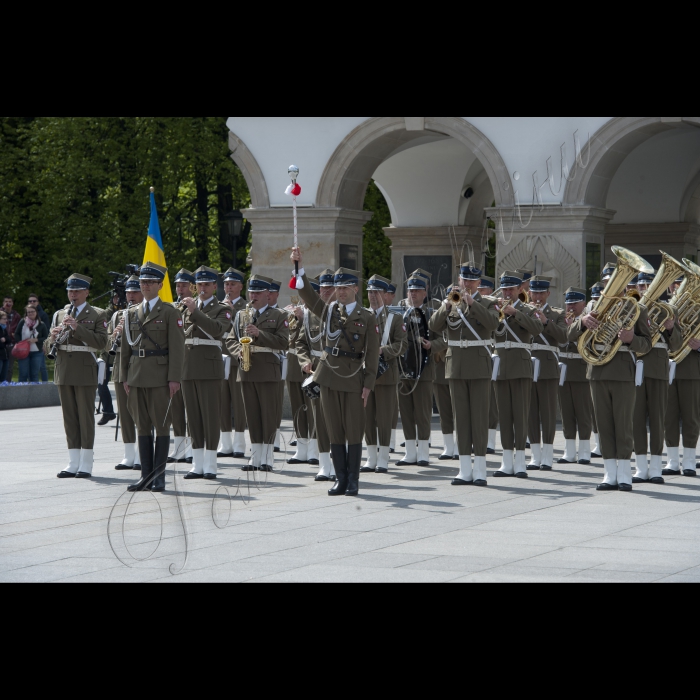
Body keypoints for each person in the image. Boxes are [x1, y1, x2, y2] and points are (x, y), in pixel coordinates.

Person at [291, 248, 380, 497]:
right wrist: (299, 268)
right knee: (334, 429)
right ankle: (340, 479)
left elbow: (372, 354)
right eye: (337, 288)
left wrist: (368, 384)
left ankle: (353, 480)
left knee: (353, 430)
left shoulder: (367, 317)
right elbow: (308, 295)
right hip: (328, 376)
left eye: (345, 287)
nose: (340, 292)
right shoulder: (329, 312)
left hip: (353, 378)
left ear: (355, 289)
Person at [568, 289, 652, 492]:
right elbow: (570, 334)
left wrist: (632, 339)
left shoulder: (637, 309)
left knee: (623, 424)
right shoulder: (592, 308)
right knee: (603, 424)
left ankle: (624, 474)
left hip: (623, 372)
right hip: (597, 371)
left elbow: (647, 345)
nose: (611, 288)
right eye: (608, 283)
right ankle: (609, 474)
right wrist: (582, 321)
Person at [430, 264, 500, 487]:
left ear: (479, 283)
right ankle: (463, 469)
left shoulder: (488, 302)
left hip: (479, 366)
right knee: (460, 418)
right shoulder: (451, 301)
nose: (467, 284)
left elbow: (493, 324)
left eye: (472, 281)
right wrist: (446, 306)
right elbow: (433, 325)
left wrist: (473, 304)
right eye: (464, 280)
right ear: (459, 280)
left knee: (478, 418)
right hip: (456, 366)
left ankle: (480, 470)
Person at [120, 262, 185, 492]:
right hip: (136, 376)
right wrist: (123, 377)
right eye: (142, 282)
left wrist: (174, 378)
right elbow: (125, 348)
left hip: (159, 376)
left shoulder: (170, 312)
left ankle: (159, 478)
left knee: (162, 426)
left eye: (150, 282)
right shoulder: (131, 313)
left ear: (160, 285)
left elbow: (178, 348)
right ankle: (145, 477)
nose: (145, 286)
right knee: (142, 427)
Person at [48, 274, 109, 479]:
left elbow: (102, 343)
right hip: (64, 369)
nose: (72, 294)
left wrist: (77, 327)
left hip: (84, 369)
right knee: (70, 418)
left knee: (85, 416)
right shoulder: (59, 314)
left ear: (86, 292)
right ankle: (73, 461)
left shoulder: (98, 314)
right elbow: (47, 345)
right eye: (70, 291)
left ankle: (86, 462)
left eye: (76, 291)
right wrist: (54, 337)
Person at [227, 275, 289, 472]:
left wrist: (259, 334)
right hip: (246, 369)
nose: (253, 296)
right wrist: (238, 351)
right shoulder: (240, 315)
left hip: (268, 369)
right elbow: (229, 339)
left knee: (268, 415)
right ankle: (255, 458)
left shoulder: (279, 315)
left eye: (258, 292)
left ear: (267, 295)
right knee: (251, 415)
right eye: (251, 292)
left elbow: (284, 342)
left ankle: (268, 458)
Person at [179, 267, 231, 481]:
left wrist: (195, 312)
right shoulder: (185, 307)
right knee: (193, 417)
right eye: (199, 285)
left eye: (207, 284)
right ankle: (197, 464)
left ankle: (210, 464)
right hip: (188, 366)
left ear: (214, 286)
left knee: (210, 416)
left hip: (209, 367)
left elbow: (218, 330)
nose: (202, 288)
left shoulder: (222, 308)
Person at [492, 272, 544, 479]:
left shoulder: (529, 309)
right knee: (504, 416)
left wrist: (514, 313)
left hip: (521, 366)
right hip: (501, 365)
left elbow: (537, 329)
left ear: (519, 290)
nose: (506, 292)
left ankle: (521, 461)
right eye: (504, 289)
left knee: (520, 415)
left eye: (511, 289)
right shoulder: (494, 308)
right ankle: (506, 461)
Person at [633, 272, 682, 484]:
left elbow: (677, 345)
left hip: (658, 368)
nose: (644, 289)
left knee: (657, 419)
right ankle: (640, 467)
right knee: (635, 419)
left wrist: (671, 328)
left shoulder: (669, 310)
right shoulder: (631, 309)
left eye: (648, 285)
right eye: (641, 285)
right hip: (635, 367)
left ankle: (655, 467)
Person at [397, 275, 446, 468]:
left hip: (424, 369)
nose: (413, 294)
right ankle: (410, 452)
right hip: (402, 368)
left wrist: (431, 345)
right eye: (410, 291)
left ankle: (423, 452)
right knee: (406, 412)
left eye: (417, 291)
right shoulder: (399, 312)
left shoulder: (432, 313)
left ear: (425, 293)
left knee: (423, 412)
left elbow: (445, 338)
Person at [363, 275, 407, 474]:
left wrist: (383, 350)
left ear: (384, 294)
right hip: (365, 375)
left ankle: (383, 458)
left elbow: (402, 345)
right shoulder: (362, 316)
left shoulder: (394, 318)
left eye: (376, 292)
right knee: (367, 417)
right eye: (370, 292)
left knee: (384, 417)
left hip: (386, 375)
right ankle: (371, 457)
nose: (372, 296)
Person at [296, 271, 336, 481]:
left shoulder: (340, 313)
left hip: (339, 372)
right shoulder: (310, 313)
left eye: (329, 289)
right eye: (322, 289)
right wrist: (303, 360)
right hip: (316, 372)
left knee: (337, 419)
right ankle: (323, 464)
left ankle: (340, 463)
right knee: (319, 419)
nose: (325, 292)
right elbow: (301, 343)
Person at [527, 277, 568, 471]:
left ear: (548, 294)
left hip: (548, 367)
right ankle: (535, 455)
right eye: (534, 293)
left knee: (548, 412)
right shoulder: (523, 311)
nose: (537, 297)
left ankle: (548, 455)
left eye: (541, 293)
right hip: (527, 366)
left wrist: (545, 322)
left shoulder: (558, 314)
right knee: (531, 412)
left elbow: (563, 337)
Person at [109, 275, 143, 472]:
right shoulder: (116, 316)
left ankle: (141, 452)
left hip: (138, 365)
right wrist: (115, 335)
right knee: (124, 411)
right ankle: (128, 454)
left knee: (140, 411)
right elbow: (106, 345)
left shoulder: (146, 314)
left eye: (134, 291)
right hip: (121, 367)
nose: (131, 296)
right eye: (128, 292)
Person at [557, 288, 595, 465]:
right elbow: (561, 336)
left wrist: (578, 322)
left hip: (581, 368)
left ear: (583, 304)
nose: (570, 306)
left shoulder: (589, 320)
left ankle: (585, 450)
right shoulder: (561, 318)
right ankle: (569, 451)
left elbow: (573, 335)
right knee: (567, 412)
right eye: (568, 303)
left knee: (583, 412)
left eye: (574, 303)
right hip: (564, 368)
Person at [219, 268, 249, 460]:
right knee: (222, 401)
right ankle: (225, 443)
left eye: (232, 284)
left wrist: (232, 310)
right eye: (226, 284)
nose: (228, 288)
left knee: (239, 402)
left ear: (240, 286)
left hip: (238, 357)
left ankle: (239, 443)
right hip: (221, 357)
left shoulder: (246, 307)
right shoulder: (218, 306)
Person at [168, 270, 195, 465]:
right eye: (178, 285)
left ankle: (195, 448)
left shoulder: (198, 307)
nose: (180, 288)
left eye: (184, 285)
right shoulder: (171, 308)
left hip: (193, 363)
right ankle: (179, 448)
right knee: (175, 408)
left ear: (193, 287)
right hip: (176, 363)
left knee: (193, 409)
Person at [286, 290, 315, 465]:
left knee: (312, 410)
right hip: (293, 363)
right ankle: (301, 448)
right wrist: (292, 318)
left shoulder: (317, 312)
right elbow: (287, 339)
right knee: (298, 408)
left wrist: (304, 319)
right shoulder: (292, 311)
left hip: (311, 363)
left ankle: (315, 448)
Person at [433, 285, 458, 461]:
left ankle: (461, 445)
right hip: (441, 365)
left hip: (458, 364)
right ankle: (448, 446)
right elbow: (434, 331)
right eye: (450, 295)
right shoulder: (440, 310)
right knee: (444, 410)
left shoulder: (465, 312)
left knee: (460, 409)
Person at [478, 277, 500, 454]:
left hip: (495, 356)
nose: (480, 292)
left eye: (484, 289)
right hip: (485, 354)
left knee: (492, 402)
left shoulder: (492, 305)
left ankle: (491, 440)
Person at [15, 304, 49, 383]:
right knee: (23, 373)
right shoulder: (22, 322)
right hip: (23, 351)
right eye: (28, 312)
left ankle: (34, 394)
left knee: (34, 374)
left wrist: (36, 339)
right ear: (26, 313)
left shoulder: (41, 324)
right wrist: (20, 343)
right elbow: (16, 334)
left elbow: (46, 337)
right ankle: (21, 392)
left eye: (32, 311)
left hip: (37, 352)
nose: (30, 313)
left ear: (36, 312)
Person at [28, 294, 50, 383]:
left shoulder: (43, 315)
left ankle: (45, 385)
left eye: (34, 301)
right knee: (30, 367)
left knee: (42, 367)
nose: (32, 302)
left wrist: (45, 345)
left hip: (40, 344)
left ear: (38, 302)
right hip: (29, 345)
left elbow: (47, 331)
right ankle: (31, 386)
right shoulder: (27, 314)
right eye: (30, 301)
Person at [2, 296, 21, 381]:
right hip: (1, 344)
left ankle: (7, 386)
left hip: (12, 343)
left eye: (10, 301)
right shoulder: (0, 313)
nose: (8, 303)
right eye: (6, 301)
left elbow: (20, 329)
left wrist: (16, 336)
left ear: (12, 303)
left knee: (9, 367)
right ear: (3, 303)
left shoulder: (16, 315)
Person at [0, 311, 10, 383]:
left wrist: (5, 339)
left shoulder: (4, 329)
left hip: (5, 355)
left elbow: (9, 340)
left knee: (3, 377)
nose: (6, 320)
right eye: (4, 319)